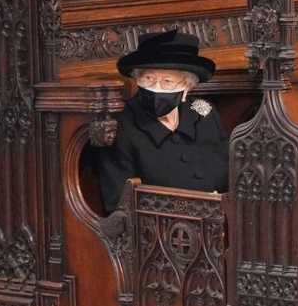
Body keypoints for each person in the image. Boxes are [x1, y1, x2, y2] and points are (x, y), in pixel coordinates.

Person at [96, 29, 229, 214]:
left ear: (186, 88)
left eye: (167, 81)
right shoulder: (121, 124)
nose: (156, 89)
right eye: (148, 79)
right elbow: (119, 205)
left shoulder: (203, 111)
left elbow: (227, 174)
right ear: (137, 79)